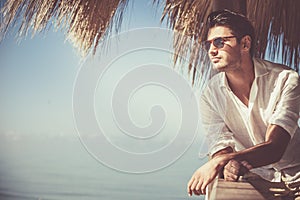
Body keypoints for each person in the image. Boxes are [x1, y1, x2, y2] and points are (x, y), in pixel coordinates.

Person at [187, 10, 300, 197]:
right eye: (208, 44)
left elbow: (275, 146)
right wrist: (225, 162)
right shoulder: (210, 95)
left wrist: (218, 162)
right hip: (255, 180)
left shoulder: (286, 79)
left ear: (245, 43)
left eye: (220, 42)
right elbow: (220, 146)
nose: (211, 50)